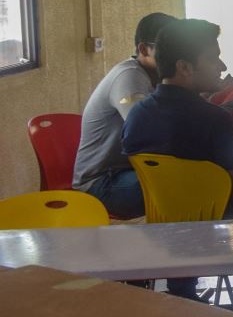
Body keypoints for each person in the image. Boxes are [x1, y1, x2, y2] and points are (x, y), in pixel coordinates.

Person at [121, 19, 233, 296]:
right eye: (214, 58)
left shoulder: (137, 115)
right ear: (184, 67)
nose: (223, 67)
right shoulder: (215, 119)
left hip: (164, 226)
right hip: (221, 227)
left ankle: (183, 289)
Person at [73, 11, 176, 217]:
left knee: (197, 177)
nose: (176, 56)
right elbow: (148, 132)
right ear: (144, 50)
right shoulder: (129, 76)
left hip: (131, 170)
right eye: (168, 49)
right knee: (178, 184)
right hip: (101, 182)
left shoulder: (157, 75)